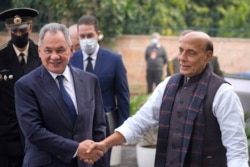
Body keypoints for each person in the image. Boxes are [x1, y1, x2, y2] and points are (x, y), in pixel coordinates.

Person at [87, 31, 249, 167]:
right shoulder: (167, 85)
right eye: (181, 50)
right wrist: (105, 144)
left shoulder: (222, 92)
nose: (182, 58)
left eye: (191, 52)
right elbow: (140, 121)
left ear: (208, 56)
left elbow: (237, 149)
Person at [14, 22, 107, 166]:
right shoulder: (26, 85)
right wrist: (76, 149)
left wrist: (98, 160)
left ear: (71, 50)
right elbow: (34, 132)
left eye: (60, 50)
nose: (54, 56)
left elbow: (99, 128)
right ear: (39, 51)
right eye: (48, 50)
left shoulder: (90, 81)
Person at [69, 15, 130, 166]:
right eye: (82, 36)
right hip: (78, 125)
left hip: (105, 126)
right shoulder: (71, 60)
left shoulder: (114, 60)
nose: (86, 39)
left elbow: (123, 95)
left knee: (102, 162)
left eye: (89, 35)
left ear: (98, 34)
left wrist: (123, 130)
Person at [0, 7, 41, 166]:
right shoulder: (1, 57)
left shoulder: (41, 55)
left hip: (36, 132)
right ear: (8, 29)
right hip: (7, 137)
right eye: (14, 30)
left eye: (22, 30)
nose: (18, 34)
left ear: (30, 27)